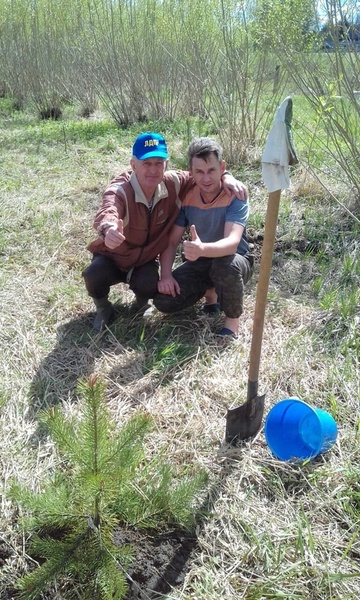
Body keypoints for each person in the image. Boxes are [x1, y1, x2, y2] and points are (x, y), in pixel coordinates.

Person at [82, 132, 248, 330]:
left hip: (151, 262)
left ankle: (144, 305)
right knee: (97, 275)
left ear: (166, 165)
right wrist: (108, 229)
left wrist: (227, 177)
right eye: (146, 163)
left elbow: (206, 173)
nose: (153, 170)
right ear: (133, 165)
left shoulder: (175, 184)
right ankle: (103, 308)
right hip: (115, 256)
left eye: (158, 163)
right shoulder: (120, 190)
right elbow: (109, 208)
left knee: (154, 283)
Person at [153, 137, 254, 338]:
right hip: (201, 262)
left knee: (225, 266)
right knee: (164, 301)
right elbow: (172, 241)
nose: (206, 178)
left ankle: (232, 323)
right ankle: (211, 295)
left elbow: (232, 244)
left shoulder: (235, 196)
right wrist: (166, 275)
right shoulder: (187, 197)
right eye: (199, 172)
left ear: (222, 167)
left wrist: (202, 249)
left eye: (211, 171)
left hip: (235, 262)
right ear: (191, 172)